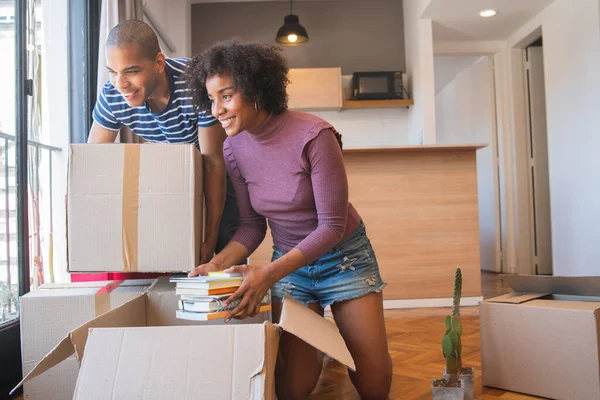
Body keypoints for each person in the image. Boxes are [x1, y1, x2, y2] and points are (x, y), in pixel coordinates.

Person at [185, 40, 392, 400]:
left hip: (344, 260)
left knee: (373, 385)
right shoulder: (233, 148)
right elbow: (251, 226)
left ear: (255, 89)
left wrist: (267, 274)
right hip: (290, 268)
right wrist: (215, 265)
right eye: (212, 99)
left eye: (227, 96)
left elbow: (332, 225)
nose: (217, 109)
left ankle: (338, 352)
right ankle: (324, 353)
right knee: (292, 388)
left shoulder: (315, 135)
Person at [88, 20, 239, 274]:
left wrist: (210, 236)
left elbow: (213, 162)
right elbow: (94, 162)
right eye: (113, 71)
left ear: (159, 63)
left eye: (131, 71)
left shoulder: (197, 83)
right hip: (175, 172)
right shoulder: (113, 96)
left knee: (224, 249)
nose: (120, 83)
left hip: (220, 166)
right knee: (180, 257)